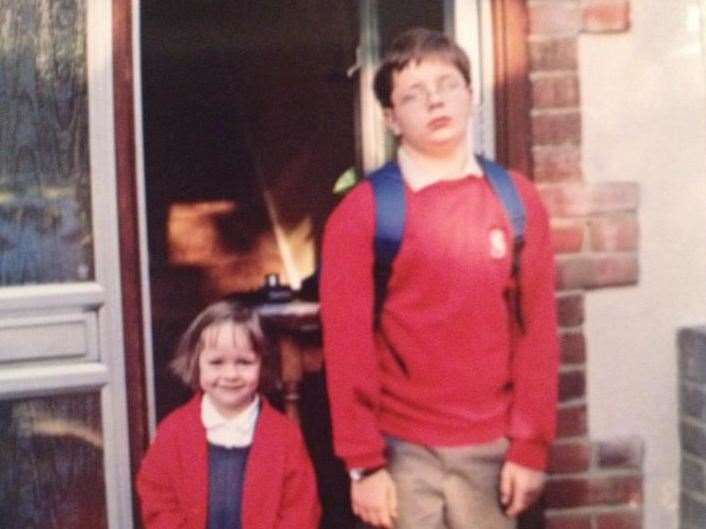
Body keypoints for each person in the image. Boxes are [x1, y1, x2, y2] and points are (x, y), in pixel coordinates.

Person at [320, 28, 559, 529]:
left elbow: (537, 331)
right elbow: (347, 347)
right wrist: (364, 464)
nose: (435, 101)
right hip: (403, 451)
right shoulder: (363, 212)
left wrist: (531, 447)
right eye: (412, 94)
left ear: (471, 96)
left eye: (447, 84)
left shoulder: (516, 200)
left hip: (495, 451)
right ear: (391, 119)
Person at [136, 300, 321, 529]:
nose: (231, 374)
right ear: (196, 364)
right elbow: (157, 500)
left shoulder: (285, 437)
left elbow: (301, 511)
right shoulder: (172, 432)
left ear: (262, 365)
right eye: (216, 362)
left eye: (244, 362)